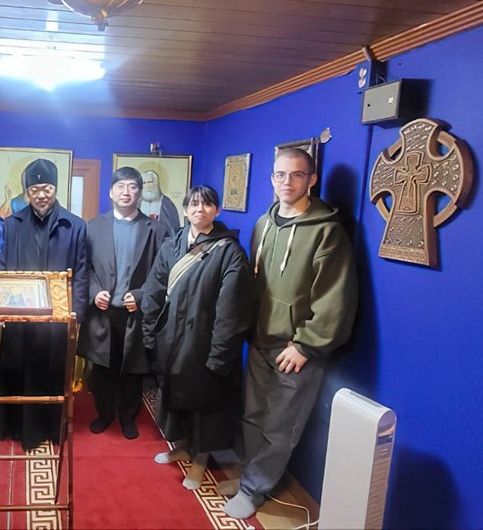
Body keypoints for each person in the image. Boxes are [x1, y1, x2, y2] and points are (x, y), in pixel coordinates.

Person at [223, 149, 358, 519]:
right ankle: (250, 478)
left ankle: (255, 489)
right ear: (271, 178)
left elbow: (336, 298)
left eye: (297, 175)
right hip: (260, 339)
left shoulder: (328, 232)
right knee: (254, 415)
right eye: (280, 174)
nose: (287, 182)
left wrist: (305, 344)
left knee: (282, 424)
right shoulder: (263, 225)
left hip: (296, 347)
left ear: (311, 179)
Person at [139, 185, 253, 490]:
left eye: (207, 204)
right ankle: (182, 448)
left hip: (205, 344)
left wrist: (220, 355)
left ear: (217, 210)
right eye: (193, 204)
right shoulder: (172, 244)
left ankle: (201, 460)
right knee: (175, 400)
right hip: (172, 340)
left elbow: (231, 311)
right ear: (185, 209)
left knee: (206, 406)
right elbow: (153, 291)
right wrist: (150, 334)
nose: (199, 209)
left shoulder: (229, 251)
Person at [0, 158, 88, 450]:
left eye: (47, 188)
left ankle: (49, 427)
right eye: (35, 190)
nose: (41, 195)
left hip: (55, 320)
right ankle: (14, 426)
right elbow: (1, 266)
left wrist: (76, 314)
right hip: (18, 316)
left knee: (51, 371)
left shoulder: (74, 225)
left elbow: (82, 271)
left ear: (56, 189)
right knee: (15, 368)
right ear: (26, 193)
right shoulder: (12, 224)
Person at [78, 167, 168, 440]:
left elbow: (162, 272)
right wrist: (94, 292)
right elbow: (85, 267)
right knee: (101, 369)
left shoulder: (157, 230)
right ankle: (105, 414)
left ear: (139, 192)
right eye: (120, 186)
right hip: (103, 311)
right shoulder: (94, 227)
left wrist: (141, 295)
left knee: (133, 369)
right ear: (111, 192)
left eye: (132, 186)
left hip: (135, 313)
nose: (126, 192)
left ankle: (128, 418)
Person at [140, 169, 181, 234]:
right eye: (144, 183)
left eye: (150, 182)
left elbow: (172, 231)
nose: (147, 186)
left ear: (156, 184)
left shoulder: (166, 204)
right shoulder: (137, 203)